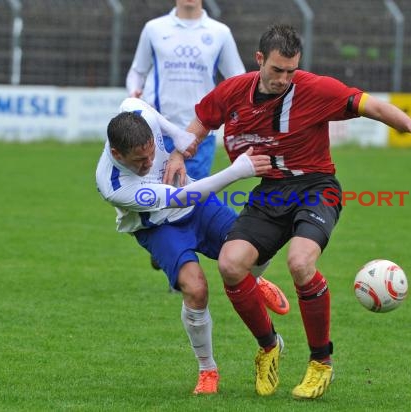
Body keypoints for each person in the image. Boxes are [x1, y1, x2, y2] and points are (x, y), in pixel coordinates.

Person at [164, 24, 411, 399]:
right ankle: (268, 346)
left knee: (300, 262)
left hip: (316, 188)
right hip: (272, 194)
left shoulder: (312, 88)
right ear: (259, 60)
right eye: (277, 70)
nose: (284, 79)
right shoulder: (233, 91)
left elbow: (369, 104)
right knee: (230, 265)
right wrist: (181, 151)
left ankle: (320, 363)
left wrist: (409, 124)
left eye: (291, 70)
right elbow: (201, 121)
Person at [96, 97, 289, 395]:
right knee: (196, 289)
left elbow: (133, 100)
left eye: (151, 154)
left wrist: (177, 140)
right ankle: (207, 369)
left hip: (199, 206)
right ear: (116, 153)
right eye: (140, 161)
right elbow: (181, 198)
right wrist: (237, 171)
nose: (149, 164)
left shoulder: (134, 115)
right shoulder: (115, 186)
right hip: (160, 226)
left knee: (252, 251)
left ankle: (256, 279)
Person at [126, 0, 245, 180]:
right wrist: (134, 91)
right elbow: (137, 71)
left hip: (200, 132)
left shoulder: (220, 32)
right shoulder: (154, 28)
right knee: (154, 195)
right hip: (158, 129)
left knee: (191, 197)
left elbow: (237, 79)